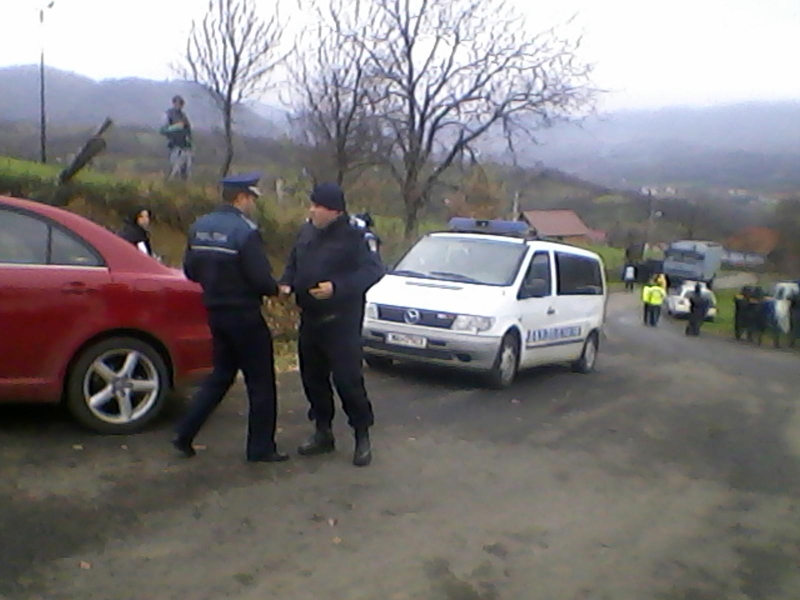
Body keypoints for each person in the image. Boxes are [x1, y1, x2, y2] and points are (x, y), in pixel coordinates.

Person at [172, 173, 288, 463]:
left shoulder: (199, 226)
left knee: (220, 376)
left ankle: (184, 433)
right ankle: (261, 448)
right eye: (251, 199)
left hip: (215, 313)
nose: (252, 205)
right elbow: (260, 278)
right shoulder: (245, 231)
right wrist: (277, 289)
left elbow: (190, 271)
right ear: (241, 198)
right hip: (245, 315)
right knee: (261, 383)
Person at [279, 182, 385, 467]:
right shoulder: (307, 231)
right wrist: (287, 283)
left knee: (347, 381)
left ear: (335, 211)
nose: (311, 210)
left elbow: (373, 271)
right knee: (313, 380)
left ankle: (361, 435)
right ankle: (322, 432)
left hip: (341, 323)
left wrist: (337, 287)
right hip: (310, 320)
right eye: (312, 204)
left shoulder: (355, 236)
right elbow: (293, 261)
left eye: (318, 206)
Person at [160, 95, 193, 181]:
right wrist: (175, 128)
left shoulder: (183, 116)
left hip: (185, 146)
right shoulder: (168, 115)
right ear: (174, 103)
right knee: (174, 169)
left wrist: (189, 141)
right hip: (173, 145)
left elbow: (188, 130)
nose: (179, 105)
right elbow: (163, 130)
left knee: (186, 170)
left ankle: (183, 186)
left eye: (181, 104)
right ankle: (170, 184)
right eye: (178, 103)